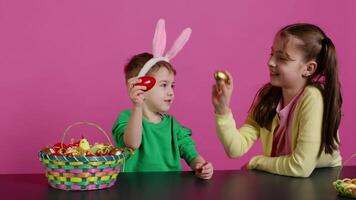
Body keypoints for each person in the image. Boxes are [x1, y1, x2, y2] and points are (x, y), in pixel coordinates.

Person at [212, 23, 342, 177]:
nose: (270, 62)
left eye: (281, 58)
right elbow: (235, 149)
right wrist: (222, 110)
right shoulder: (268, 97)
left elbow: (301, 167)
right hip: (283, 178)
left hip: (321, 181)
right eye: (272, 53)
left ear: (308, 68)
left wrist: (256, 162)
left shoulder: (312, 98)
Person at [112, 19, 213, 179]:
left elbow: (189, 151)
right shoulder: (126, 118)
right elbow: (132, 143)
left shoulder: (173, 125)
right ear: (142, 86)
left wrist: (200, 164)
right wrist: (137, 106)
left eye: (172, 86)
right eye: (164, 85)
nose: (171, 92)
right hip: (134, 190)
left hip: (170, 190)